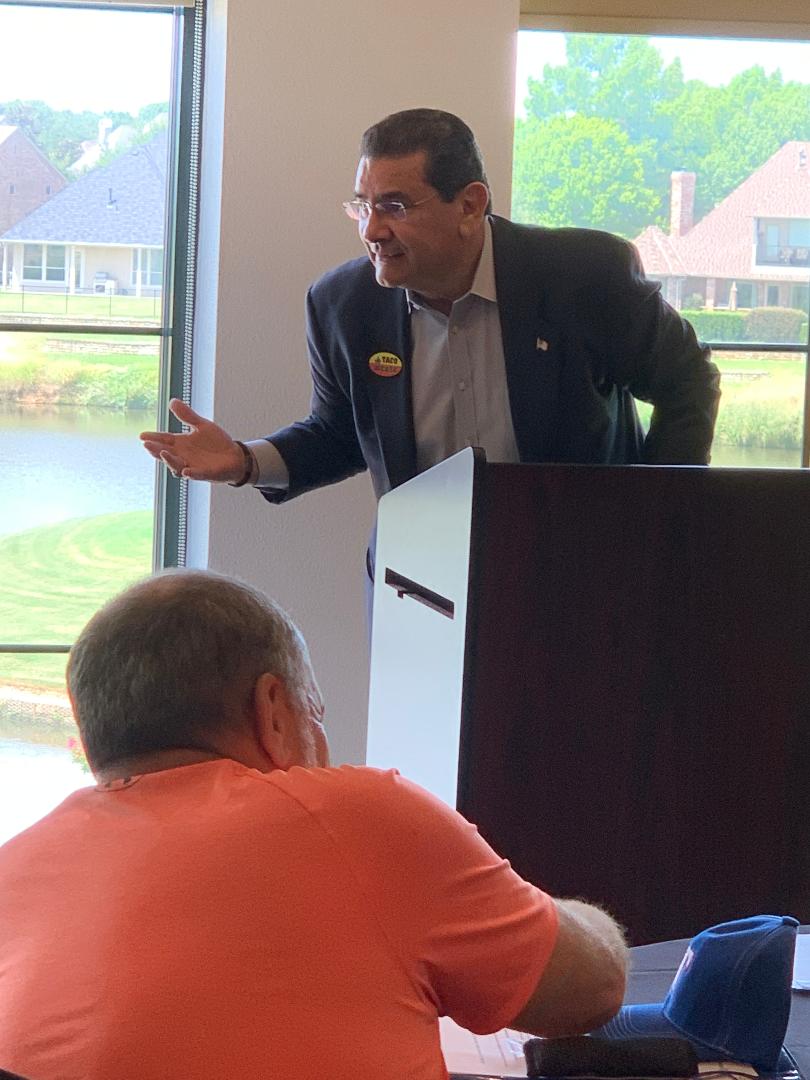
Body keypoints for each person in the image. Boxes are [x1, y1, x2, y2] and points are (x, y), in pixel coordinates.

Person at [0, 570, 627, 1080]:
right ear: (273, 711)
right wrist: (559, 913)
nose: (322, 738)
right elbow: (590, 990)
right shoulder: (357, 816)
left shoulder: (15, 864)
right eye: (315, 712)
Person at [139, 108, 720, 504]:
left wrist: (652, 509)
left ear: (470, 205)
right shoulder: (343, 304)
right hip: (417, 584)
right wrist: (244, 462)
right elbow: (339, 433)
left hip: (578, 568)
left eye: (394, 206)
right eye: (362, 205)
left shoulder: (584, 275)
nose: (372, 230)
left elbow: (689, 381)